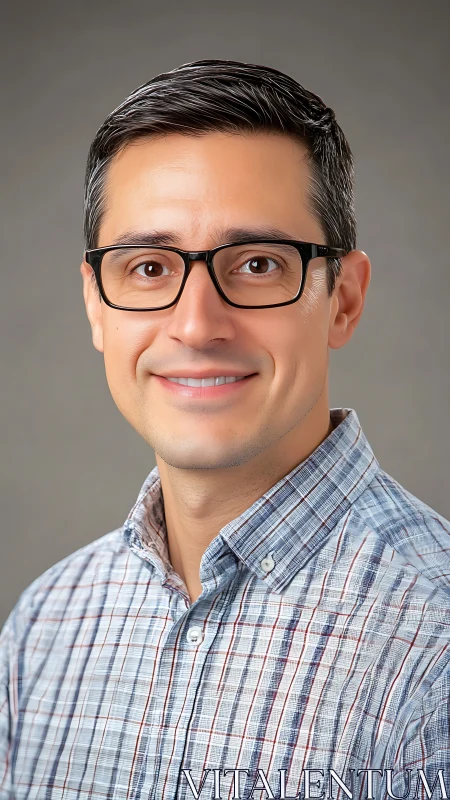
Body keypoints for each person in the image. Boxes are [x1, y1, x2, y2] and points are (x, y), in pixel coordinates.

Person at [0, 59, 449, 800]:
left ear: (344, 299)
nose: (196, 324)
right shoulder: (44, 628)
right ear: (95, 305)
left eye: (259, 263)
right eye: (147, 267)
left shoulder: (434, 647)